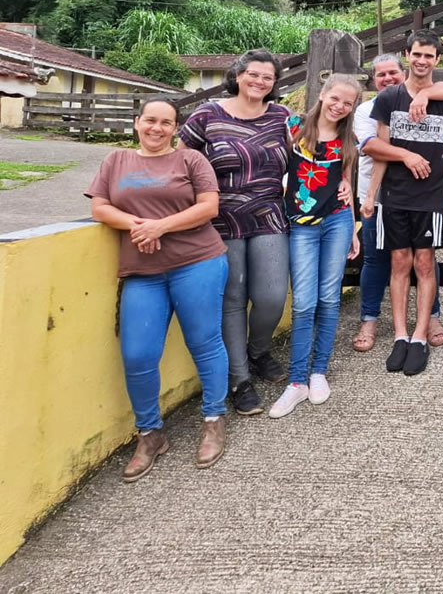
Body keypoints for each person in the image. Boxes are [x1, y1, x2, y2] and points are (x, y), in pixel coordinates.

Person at [87, 99, 229, 479]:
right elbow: (100, 208)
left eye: (166, 123)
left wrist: (160, 227)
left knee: (204, 341)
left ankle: (214, 420)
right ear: (137, 122)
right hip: (142, 270)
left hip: (197, 261)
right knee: (137, 354)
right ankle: (150, 434)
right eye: (150, 120)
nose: (157, 128)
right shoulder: (116, 161)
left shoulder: (191, 160)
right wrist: (141, 226)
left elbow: (209, 207)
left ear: (175, 128)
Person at [179, 49, 291, 416]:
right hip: (220, 219)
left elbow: (315, 154)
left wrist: (342, 186)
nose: (260, 81)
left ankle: (258, 351)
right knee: (232, 299)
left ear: (274, 83)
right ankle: (239, 379)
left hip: (269, 214)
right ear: (238, 75)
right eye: (253, 74)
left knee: (272, 296)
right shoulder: (207, 114)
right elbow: (179, 162)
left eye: (268, 77)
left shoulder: (282, 117)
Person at [364, 30, 443, 377]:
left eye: (428, 56)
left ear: (437, 60)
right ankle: (400, 335)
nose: (422, 61)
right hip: (394, 195)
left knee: (424, 262)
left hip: (431, 197)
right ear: (407, 55)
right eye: (416, 54)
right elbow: (380, 150)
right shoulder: (388, 98)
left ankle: (420, 336)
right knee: (399, 262)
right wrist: (371, 195)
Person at [268, 75, 363, 419]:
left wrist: (353, 230)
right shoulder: (293, 127)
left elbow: (346, 186)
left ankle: (319, 370)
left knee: (329, 298)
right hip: (301, 225)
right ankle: (296, 381)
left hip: (337, 221)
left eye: (347, 103)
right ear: (322, 94)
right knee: (304, 302)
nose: (339, 106)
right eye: (335, 98)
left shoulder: (348, 140)